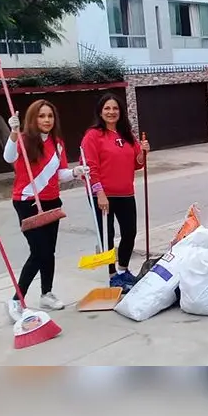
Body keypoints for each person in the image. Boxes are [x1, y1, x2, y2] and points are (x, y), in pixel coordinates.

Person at [3, 99, 89, 323]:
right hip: (27, 202)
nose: (46, 120)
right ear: (33, 118)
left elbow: (59, 173)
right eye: (42, 116)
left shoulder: (57, 143)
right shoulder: (22, 140)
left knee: (48, 251)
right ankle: (16, 299)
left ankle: (46, 293)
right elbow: (8, 157)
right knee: (39, 252)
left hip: (51, 201)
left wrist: (75, 172)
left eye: (50, 116)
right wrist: (13, 132)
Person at [80, 93, 151, 291]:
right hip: (103, 195)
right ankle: (111, 275)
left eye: (115, 109)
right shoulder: (92, 136)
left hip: (126, 192)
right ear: (100, 112)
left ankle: (123, 268)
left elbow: (136, 165)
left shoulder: (127, 134)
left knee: (129, 232)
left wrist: (143, 152)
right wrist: (99, 193)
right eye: (107, 109)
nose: (111, 112)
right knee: (108, 235)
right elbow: (90, 167)